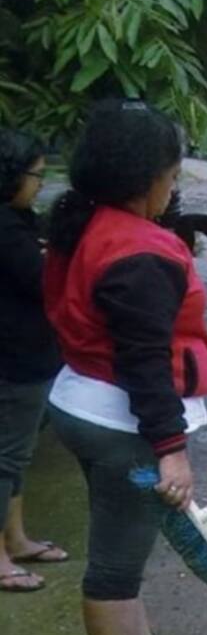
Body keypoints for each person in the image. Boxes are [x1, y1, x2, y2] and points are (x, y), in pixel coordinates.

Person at [44, 99, 207, 635]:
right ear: (145, 178)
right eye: (172, 177)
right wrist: (171, 449)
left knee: (128, 545)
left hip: (83, 400)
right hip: (121, 424)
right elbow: (146, 363)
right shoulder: (137, 252)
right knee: (116, 562)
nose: (173, 190)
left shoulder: (85, 224)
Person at [0, 128, 68, 593]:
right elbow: (45, 281)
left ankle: (16, 539)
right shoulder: (6, 228)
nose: (41, 182)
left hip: (30, 358)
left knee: (17, 457)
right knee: (6, 459)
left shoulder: (19, 222)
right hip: (14, 360)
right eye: (35, 175)